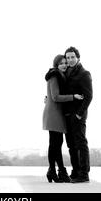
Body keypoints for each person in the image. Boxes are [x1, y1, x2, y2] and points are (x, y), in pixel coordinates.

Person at [42, 54, 84, 183]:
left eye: (65, 62)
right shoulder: (55, 76)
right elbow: (55, 97)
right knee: (55, 144)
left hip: (56, 113)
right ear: (56, 65)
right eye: (61, 63)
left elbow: (52, 95)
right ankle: (57, 170)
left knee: (56, 144)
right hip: (54, 113)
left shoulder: (60, 76)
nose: (64, 65)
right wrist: (73, 96)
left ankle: (54, 170)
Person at [63, 46, 93, 183]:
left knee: (80, 143)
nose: (70, 60)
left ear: (78, 58)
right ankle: (75, 172)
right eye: (68, 57)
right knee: (71, 145)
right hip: (67, 114)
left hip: (78, 114)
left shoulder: (84, 73)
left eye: (72, 57)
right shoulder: (67, 72)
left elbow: (89, 96)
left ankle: (84, 174)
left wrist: (79, 114)